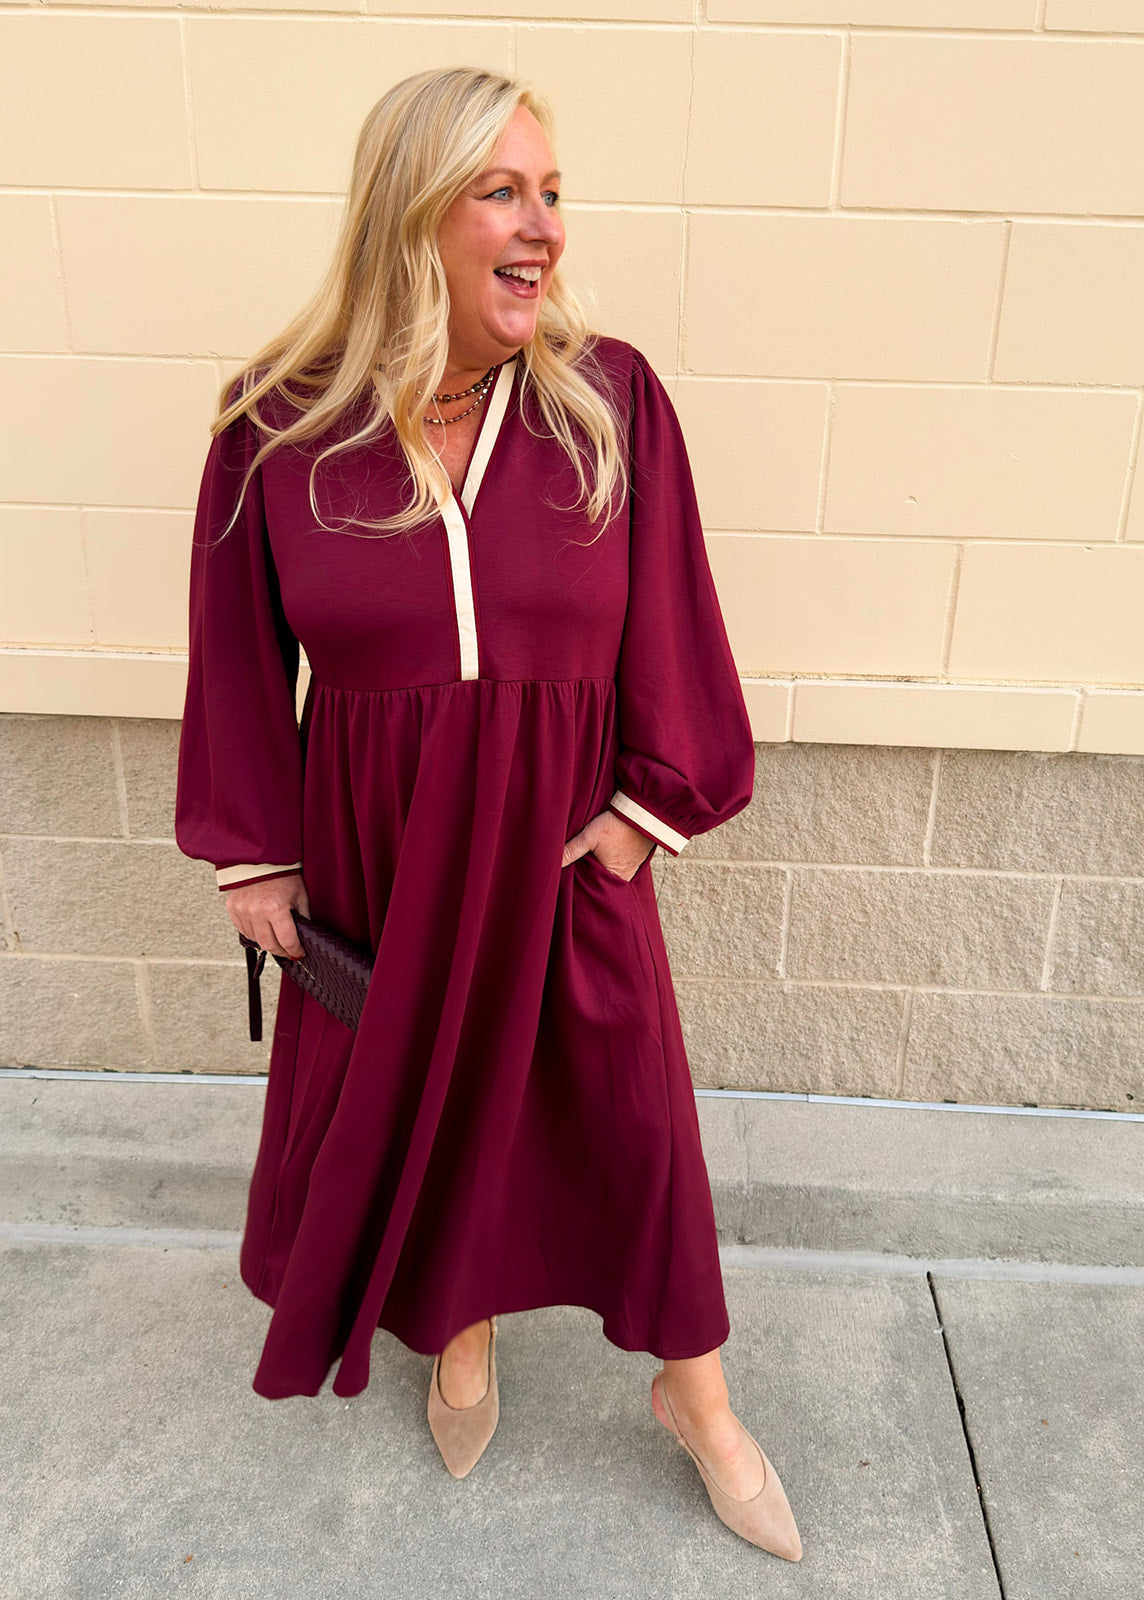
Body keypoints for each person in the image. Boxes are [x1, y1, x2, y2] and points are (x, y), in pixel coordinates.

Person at [174, 66, 802, 1562]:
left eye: (553, 193)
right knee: (442, 1117)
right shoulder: (278, 427)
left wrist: (652, 806)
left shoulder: (611, 399)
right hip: (381, 851)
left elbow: (675, 621)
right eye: (503, 193)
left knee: (633, 1127)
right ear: (414, 211)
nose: (545, 228)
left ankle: (697, 1398)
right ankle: (459, 1336)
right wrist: (254, 859)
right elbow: (238, 658)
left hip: (564, 845)